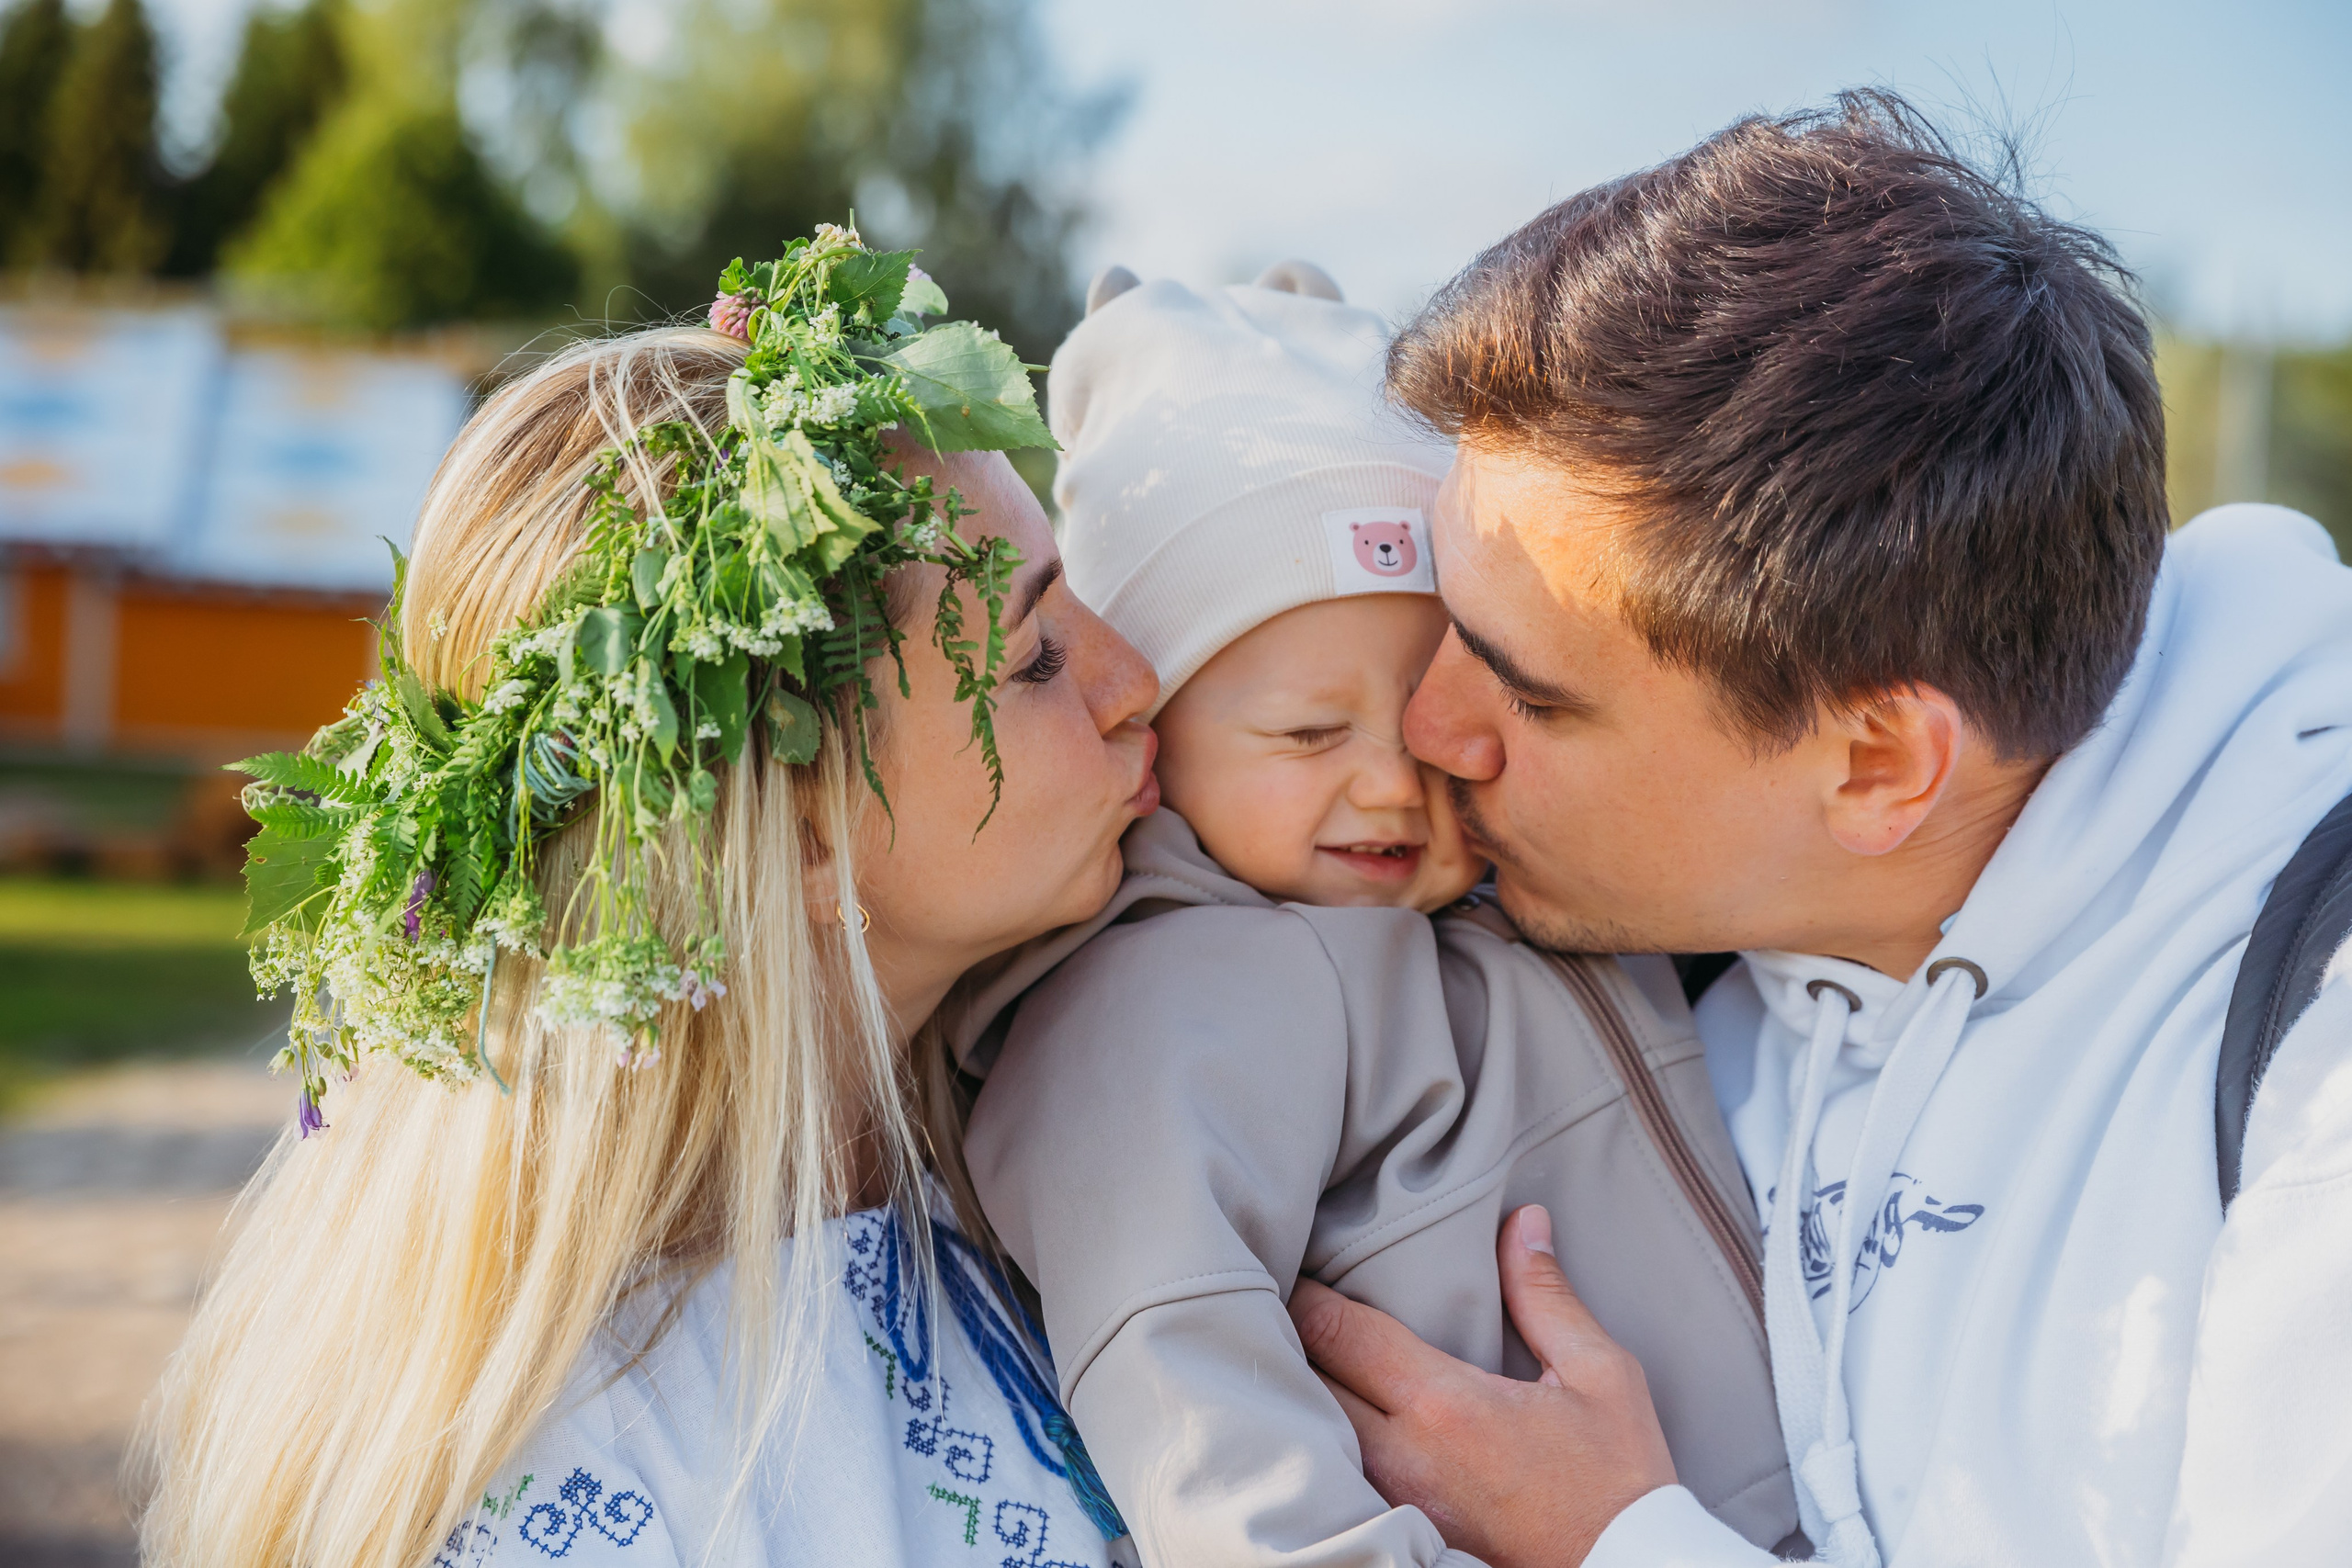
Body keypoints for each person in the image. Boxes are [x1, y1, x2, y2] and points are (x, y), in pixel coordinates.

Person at [1284, 92, 2352, 1567]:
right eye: (1443, 623)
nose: (1425, 728)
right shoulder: (1656, 922)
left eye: (1528, 695)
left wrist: (1618, 1544)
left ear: (1879, 767)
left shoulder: (2315, 1082)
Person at [138, 239, 1162, 1568]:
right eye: (1031, 659)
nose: (1134, 677)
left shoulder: (1053, 1171)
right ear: (794, 822)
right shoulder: (579, 1500)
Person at [951, 265, 1796, 1567]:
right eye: (1306, 731)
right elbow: (1199, 1423)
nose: (1392, 781)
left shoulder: (1526, 902)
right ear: (1151, 729)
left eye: (1431, 714)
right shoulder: (1154, 1004)